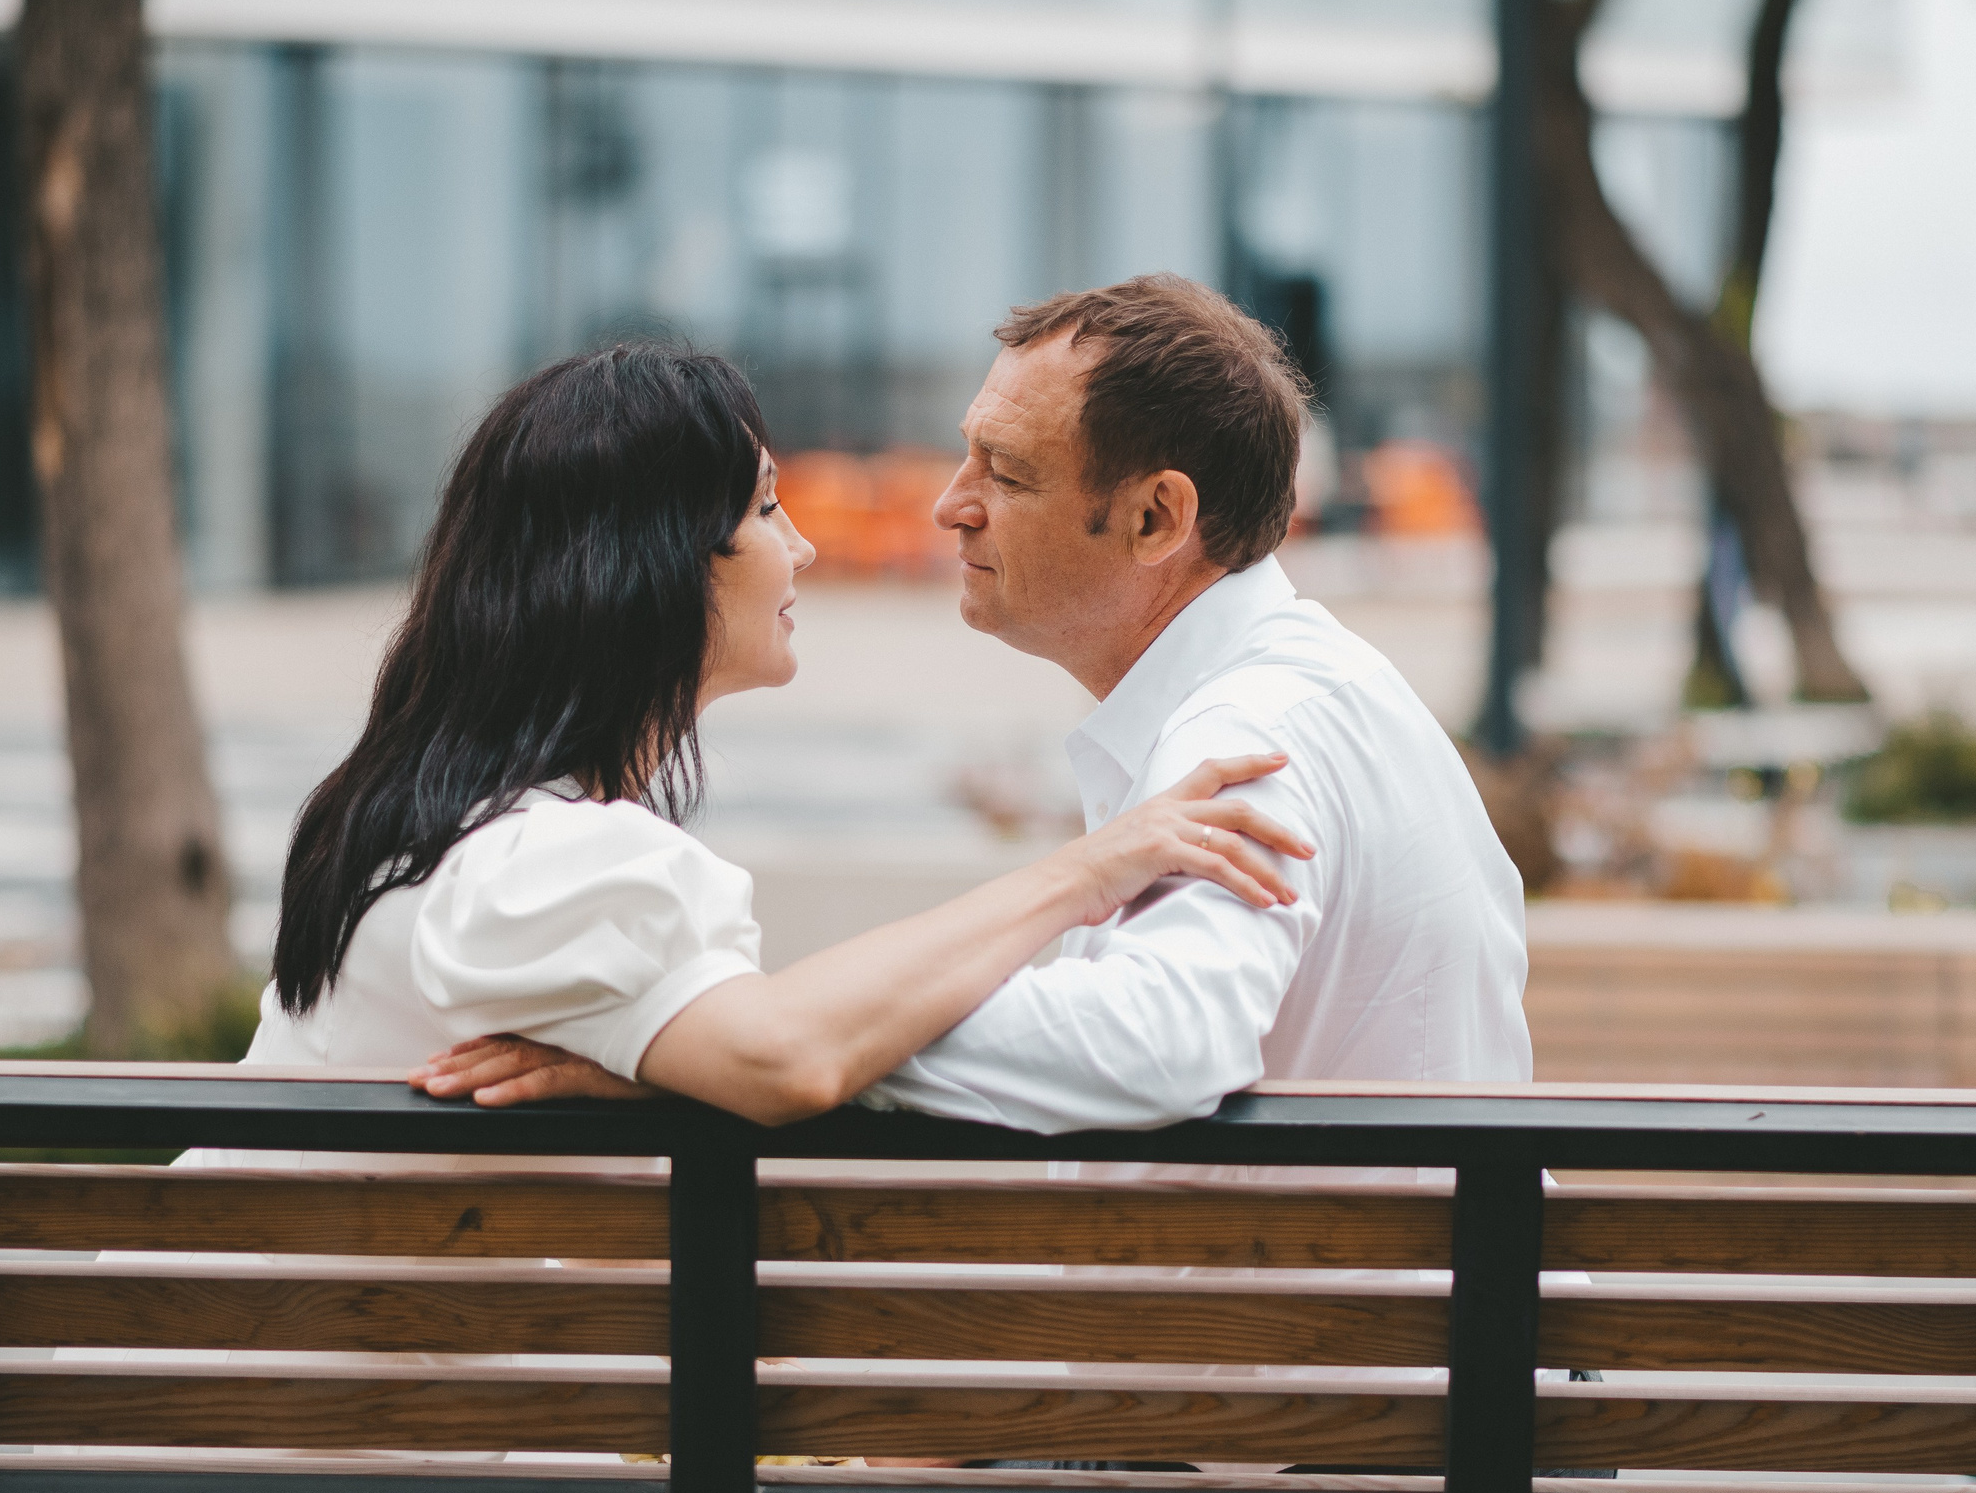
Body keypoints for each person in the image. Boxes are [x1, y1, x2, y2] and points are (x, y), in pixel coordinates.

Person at [420, 276, 1531, 1151]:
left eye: (1003, 472)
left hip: (1354, 1416)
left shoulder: (1247, 732)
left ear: (1155, 517)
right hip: (1387, 1378)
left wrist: (720, 1051)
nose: (950, 507)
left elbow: (1159, 1042)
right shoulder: (1307, 687)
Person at [232, 340, 1311, 1130]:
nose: (800, 549)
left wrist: (660, 1066)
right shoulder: (549, 863)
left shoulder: (422, 827)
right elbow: (791, 1055)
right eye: (761, 510)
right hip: (345, 1428)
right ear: (651, 564)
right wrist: (1090, 870)